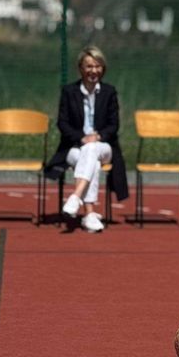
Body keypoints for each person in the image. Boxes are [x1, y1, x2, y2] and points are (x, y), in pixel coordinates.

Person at [46, 46, 129, 233]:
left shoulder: (109, 92)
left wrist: (97, 137)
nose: (93, 71)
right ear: (81, 69)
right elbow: (63, 123)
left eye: (98, 66)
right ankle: (89, 214)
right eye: (89, 66)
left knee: (93, 149)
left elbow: (113, 125)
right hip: (75, 147)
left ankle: (75, 197)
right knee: (92, 160)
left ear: (103, 69)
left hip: (105, 147)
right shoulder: (69, 92)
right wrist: (82, 138)